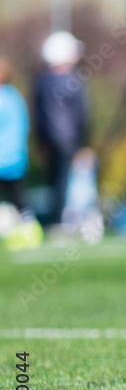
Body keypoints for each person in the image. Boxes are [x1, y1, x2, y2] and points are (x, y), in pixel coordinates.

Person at [34, 31, 88, 227]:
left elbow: (38, 114)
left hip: (50, 140)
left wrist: (40, 140)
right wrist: (83, 143)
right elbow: (82, 114)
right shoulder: (73, 80)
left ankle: (56, 219)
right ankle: (62, 220)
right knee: (65, 181)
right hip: (69, 140)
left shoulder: (40, 80)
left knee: (54, 182)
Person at [0, 57, 43, 250]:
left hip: (4, 158)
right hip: (16, 157)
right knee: (18, 198)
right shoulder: (15, 96)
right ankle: (31, 230)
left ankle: (28, 231)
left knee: (16, 197)